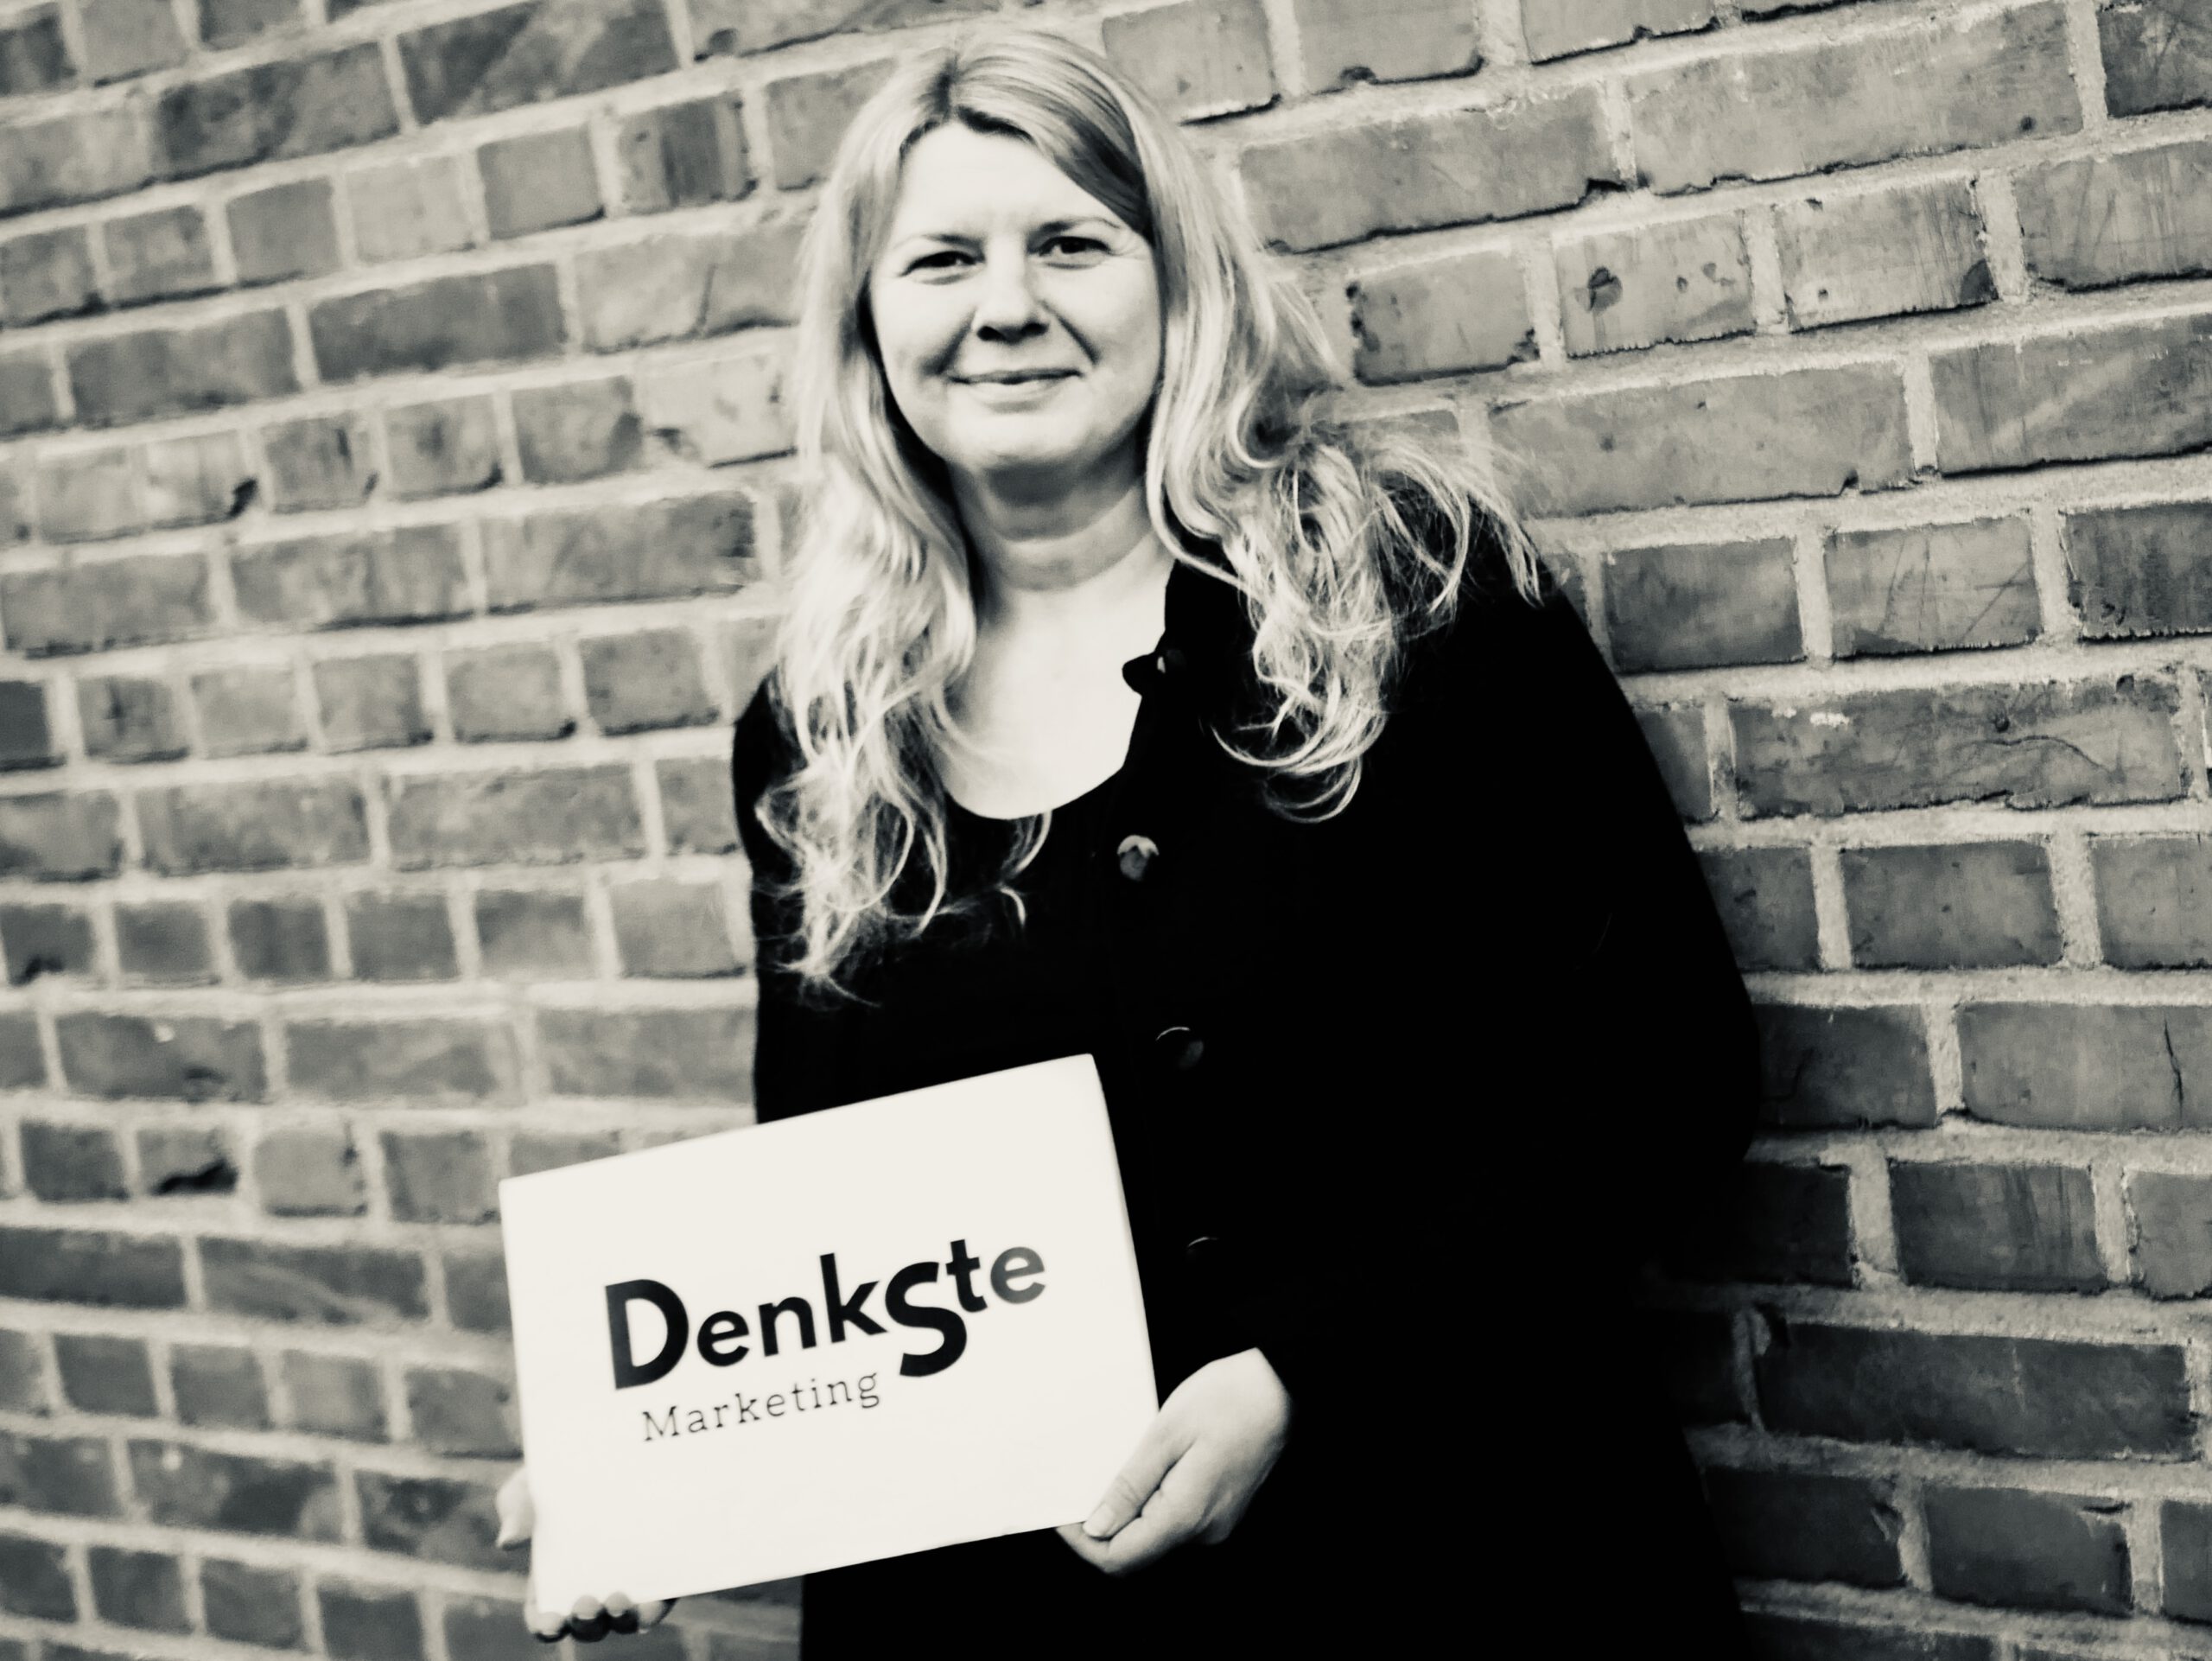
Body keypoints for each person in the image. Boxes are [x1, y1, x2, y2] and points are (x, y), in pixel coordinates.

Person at [497, 22, 1761, 1654]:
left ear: (1177, 282)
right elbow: (822, 1242)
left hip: (1456, 1551)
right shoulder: (822, 733)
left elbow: (1669, 1069)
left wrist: (1302, 1367)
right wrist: (659, 1477)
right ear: (869, 325)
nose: (1006, 306)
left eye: (1071, 244)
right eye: (941, 259)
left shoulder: (1406, 595)